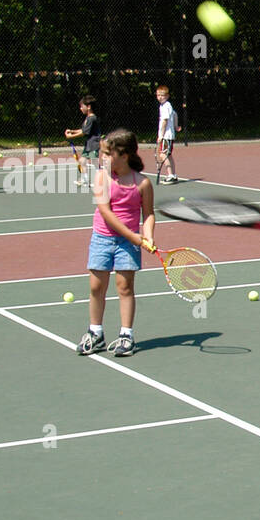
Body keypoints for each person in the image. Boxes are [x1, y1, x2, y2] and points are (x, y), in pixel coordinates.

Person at [78, 129, 155, 358]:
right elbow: (106, 212)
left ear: (124, 155)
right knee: (96, 287)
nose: (102, 158)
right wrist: (135, 238)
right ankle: (95, 332)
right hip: (102, 238)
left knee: (125, 287)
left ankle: (126, 335)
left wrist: (148, 235)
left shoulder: (142, 183)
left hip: (127, 244)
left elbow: (148, 214)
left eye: (107, 154)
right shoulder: (102, 177)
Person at [64, 95, 102, 188]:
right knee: (82, 161)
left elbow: (84, 133)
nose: (80, 108)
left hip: (94, 143)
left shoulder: (92, 118)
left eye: (82, 106)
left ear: (88, 107)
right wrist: (72, 131)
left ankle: (101, 181)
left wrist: (71, 136)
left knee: (94, 162)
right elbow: (83, 130)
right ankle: (85, 180)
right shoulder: (88, 118)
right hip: (89, 144)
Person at [155, 85, 179, 184]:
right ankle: (172, 175)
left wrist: (161, 135)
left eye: (162, 95)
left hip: (166, 136)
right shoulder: (166, 106)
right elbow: (175, 114)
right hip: (168, 135)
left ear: (167, 96)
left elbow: (164, 121)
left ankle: (170, 175)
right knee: (167, 155)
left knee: (163, 154)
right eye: (158, 95)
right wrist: (176, 126)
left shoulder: (166, 106)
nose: (160, 97)